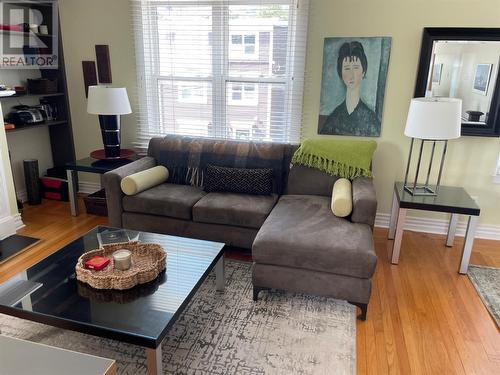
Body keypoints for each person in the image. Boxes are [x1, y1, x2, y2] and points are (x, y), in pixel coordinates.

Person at [320, 41, 380, 136]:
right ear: (341, 74)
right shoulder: (334, 117)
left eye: (356, 68)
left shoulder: (370, 119)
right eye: (347, 68)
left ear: (363, 71)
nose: (351, 75)